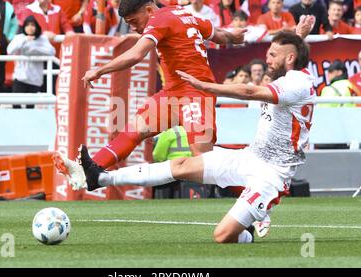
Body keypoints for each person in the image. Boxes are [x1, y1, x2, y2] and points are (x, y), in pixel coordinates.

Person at [55, 26, 316, 244]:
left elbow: (249, 92)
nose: (267, 59)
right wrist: (298, 35)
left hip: (271, 174)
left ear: (290, 59)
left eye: (272, 55)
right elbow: (288, 55)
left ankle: (248, 230)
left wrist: (205, 86)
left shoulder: (296, 84)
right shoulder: (292, 76)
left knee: (222, 236)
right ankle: (100, 177)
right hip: (250, 158)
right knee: (181, 165)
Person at [53, 0, 247, 180]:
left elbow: (137, 54)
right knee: (132, 131)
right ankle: (87, 172)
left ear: (148, 10)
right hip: (171, 93)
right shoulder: (182, 13)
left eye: (134, 21)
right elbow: (219, 35)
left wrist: (100, 70)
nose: (134, 27)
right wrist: (234, 36)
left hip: (196, 93)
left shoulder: (159, 19)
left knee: (204, 160)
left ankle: (246, 168)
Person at [7, 15, 55, 107]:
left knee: (30, 106)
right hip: (20, 76)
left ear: (36, 27)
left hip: (35, 79)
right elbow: (10, 50)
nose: (30, 28)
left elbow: (51, 51)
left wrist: (33, 48)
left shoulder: (42, 39)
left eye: (33, 25)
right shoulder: (19, 37)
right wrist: (24, 41)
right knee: (16, 105)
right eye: (27, 25)